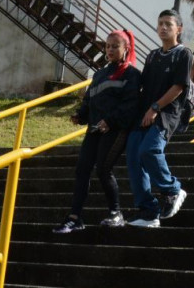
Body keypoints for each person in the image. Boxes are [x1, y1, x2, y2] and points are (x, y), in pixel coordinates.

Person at [53, 30, 140, 233]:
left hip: (115, 130)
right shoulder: (100, 74)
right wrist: (80, 115)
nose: (110, 50)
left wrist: (110, 121)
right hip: (94, 130)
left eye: (115, 46)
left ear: (126, 48)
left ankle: (116, 213)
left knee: (103, 169)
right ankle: (75, 218)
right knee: (82, 170)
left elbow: (131, 105)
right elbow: (89, 100)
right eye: (108, 46)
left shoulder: (132, 74)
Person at [127, 9, 192, 228]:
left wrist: (155, 108)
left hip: (166, 114)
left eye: (168, 24)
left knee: (150, 150)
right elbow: (143, 84)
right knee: (134, 158)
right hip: (143, 113)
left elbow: (179, 86)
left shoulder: (183, 54)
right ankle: (148, 212)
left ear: (178, 29)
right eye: (160, 23)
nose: (163, 27)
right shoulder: (153, 55)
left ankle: (172, 189)